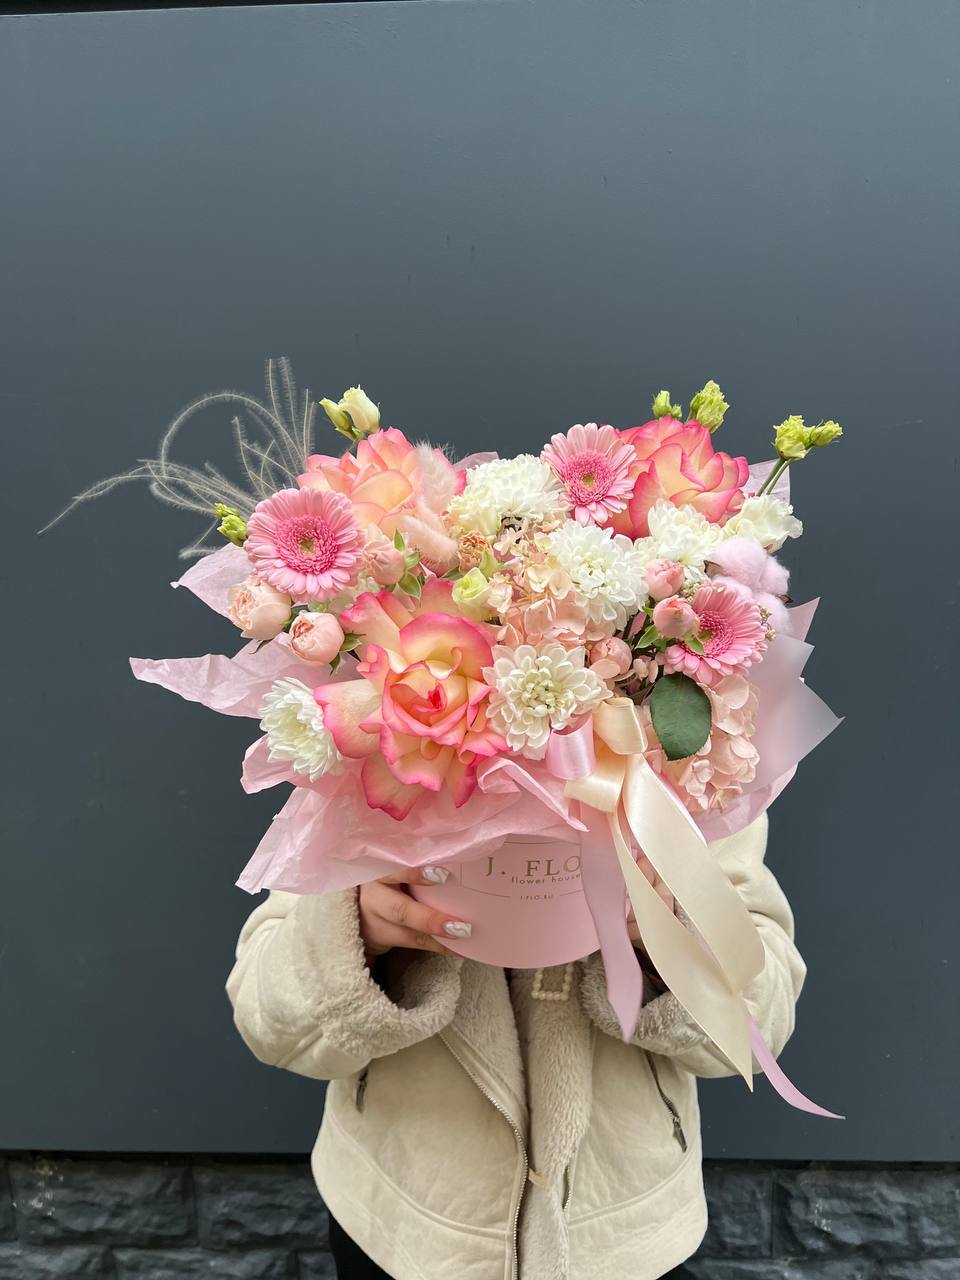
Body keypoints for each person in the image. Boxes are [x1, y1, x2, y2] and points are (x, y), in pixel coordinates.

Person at [227, 812, 804, 1280]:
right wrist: (354, 925)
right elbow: (269, 1022)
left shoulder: (685, 752)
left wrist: (674, 937)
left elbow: (759, 1027)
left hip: (624, 1235)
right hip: (402, 1225)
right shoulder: (362, 735)